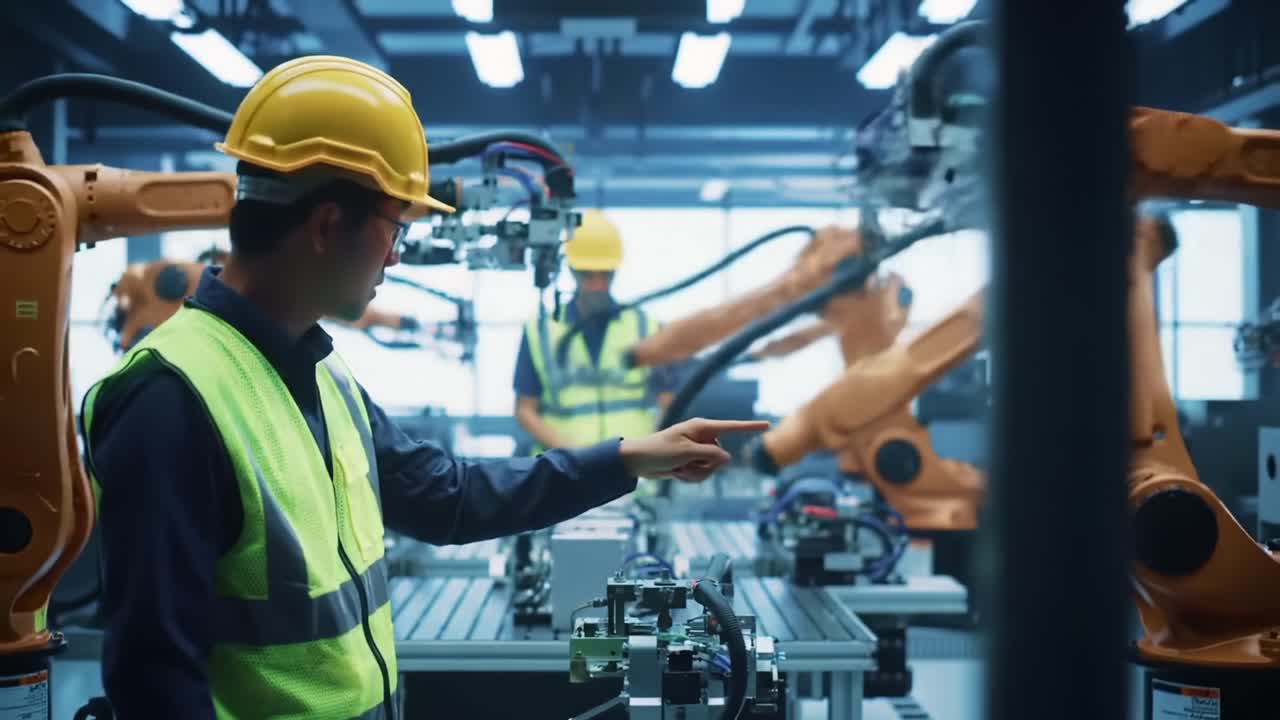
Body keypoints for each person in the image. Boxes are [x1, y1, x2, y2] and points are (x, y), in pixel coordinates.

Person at [78, 55, 766, 720]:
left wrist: (626, 459)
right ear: (326, 225)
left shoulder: (320, 371)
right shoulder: (170, 400)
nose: (398, 253)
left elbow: (446, 497)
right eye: (394, 227)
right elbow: (154, 681)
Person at [513, 209, 681, 460]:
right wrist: (570, 455)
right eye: (588, 274)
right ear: (571, 270)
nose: (598, 284)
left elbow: (670, 403)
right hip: (565, 477)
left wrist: (650, 453)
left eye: (606, 274)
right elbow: (525, 409)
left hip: (634, 478)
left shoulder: (646, 328)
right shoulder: (541, 332)